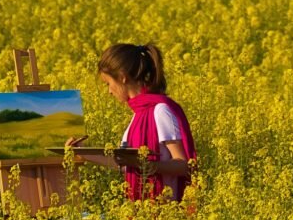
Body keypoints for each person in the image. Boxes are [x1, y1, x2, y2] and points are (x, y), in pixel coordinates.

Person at [66, 43, 196, 202]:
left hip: (166, 209)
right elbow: (125, 166)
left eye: (108, 83)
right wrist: (82, 153)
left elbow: (184, 165)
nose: (109, 91)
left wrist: (150, 167)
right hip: (142, 211)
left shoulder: (160, 111)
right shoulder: (137, 117)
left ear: (122, 76)